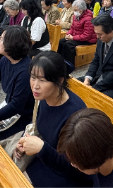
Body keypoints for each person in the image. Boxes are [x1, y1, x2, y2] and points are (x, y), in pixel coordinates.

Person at [16, 52, 90, 187]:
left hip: (63, 173)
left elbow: (79, 170)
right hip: (45, 159)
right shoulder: (44, 98)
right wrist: (24, 141)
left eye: (42, 80)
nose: (35, 85)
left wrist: (42, 149)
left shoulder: (75, 115)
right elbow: (39, 128)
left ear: (60, 80)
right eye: (33, 77)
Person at [57, 0, 96, 72]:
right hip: (77, 37)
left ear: (82, 10)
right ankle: (60, 62)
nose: (74, 12)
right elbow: (72, 28)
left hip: (88, 40)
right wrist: (68, 34)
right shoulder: (75, 16)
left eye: (76, 10)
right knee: (61, 41)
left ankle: (69, 65)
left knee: (68, 45)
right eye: (74, 10)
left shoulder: (88, 19)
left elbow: (86, 35)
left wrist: (73, 38)